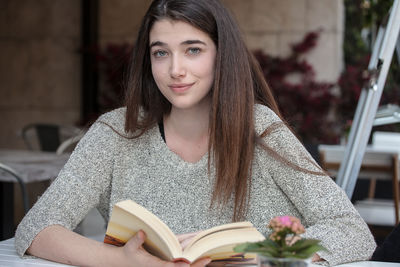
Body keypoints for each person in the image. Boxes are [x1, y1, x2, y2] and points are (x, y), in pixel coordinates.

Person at [15, 0, 376, 266]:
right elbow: (36, 229)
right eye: (161, 53)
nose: (176, 70)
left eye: (193, 50)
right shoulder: (115, 132)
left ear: (222, 56)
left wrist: (265, 258)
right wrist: (128, 262)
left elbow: (351, 230)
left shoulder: (260, 129)